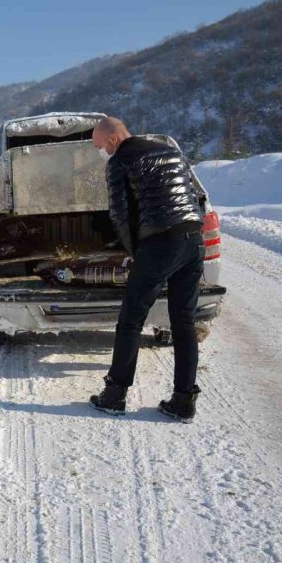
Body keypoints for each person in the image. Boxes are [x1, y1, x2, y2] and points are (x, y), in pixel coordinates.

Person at [88, 117, 206, 422]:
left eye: (100, 146)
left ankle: (114, 395)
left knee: (130, 321)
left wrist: (137, 253)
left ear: (112, 140)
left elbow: (120, 214)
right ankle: (183, 401)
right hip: (194, 239)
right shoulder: (169, 151)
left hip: (160, 243)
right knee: (184, 322)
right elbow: (192, 196)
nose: (102, 152)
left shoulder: (120, 161)